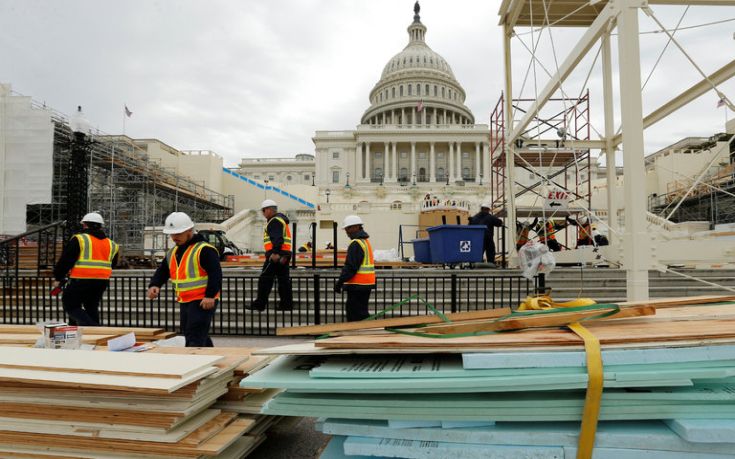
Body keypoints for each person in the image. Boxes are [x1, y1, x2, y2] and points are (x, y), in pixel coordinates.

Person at [147, 212, 221, 347]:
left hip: (202, 300)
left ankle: (193, 363)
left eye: (178, 234)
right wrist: (155, 284)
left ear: (189, 231)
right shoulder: (173, 252)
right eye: (172, 234)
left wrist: (210, 296)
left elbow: (215, 274)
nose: (174, 237)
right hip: (185, 300)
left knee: (194, 335)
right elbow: (163, 270)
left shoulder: (204, 249)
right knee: (195, 332)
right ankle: (211, 357)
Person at [53, 212, 119, 326]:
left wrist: (58, 277)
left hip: (81, 279)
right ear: (101, 226)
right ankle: (91, 334)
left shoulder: (80, 239)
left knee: (71, 305)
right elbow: (112, 264)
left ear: (84, 225)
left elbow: (66, 259)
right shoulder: (112, 244)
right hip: (102, 281)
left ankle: (94, 327)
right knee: (91, 307)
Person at [247, 199, 293, 311]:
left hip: (275, 256)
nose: (263, 213)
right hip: (284, 255)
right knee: (283, 281)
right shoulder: (281, 220)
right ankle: (286, 305)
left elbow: (277, 238)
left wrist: (275, 253)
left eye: (263, 210)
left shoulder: (274, 221)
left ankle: (259, 304)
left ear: (268, 210)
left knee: (265, 280)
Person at [334, 215, 375, 321]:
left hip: (357, 285)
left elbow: (351, 266)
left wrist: (340, 282)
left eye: (348, 228)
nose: (347, 232)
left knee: (355, 314)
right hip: (365, 284)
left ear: (356, 227)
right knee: (361, 312)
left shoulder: (356, 243)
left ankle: (358, 334)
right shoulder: (365, 242)